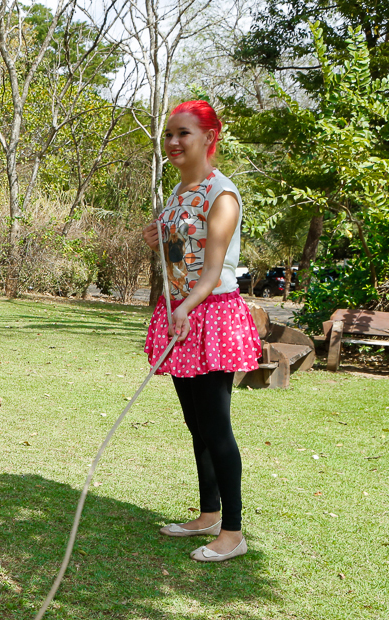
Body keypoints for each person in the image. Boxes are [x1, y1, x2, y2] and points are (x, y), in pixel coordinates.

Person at [142, 101, 261, 563]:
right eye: (169, 134)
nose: (173, 142)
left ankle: (233, 532)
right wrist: (158, 237)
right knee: (196, 424)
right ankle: (209, 514)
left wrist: (185, 307)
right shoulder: (179, 191)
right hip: (183, 313)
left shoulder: (221, 195)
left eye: (183, 133)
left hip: (209, 316)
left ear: (209, 137)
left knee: (216, 427)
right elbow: (181, 253)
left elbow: (213, 270)